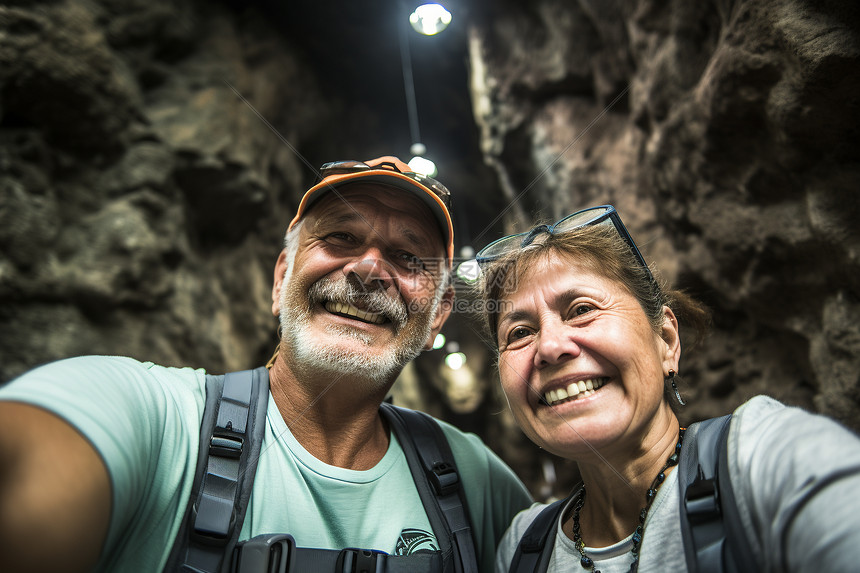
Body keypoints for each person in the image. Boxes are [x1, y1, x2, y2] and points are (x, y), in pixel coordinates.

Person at [0, 156, 532, 573]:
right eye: (341, 237)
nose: (370, 268)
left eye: (409, 258)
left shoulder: (475, 482)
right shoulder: (158, 423)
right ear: (281, 280)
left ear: (437, 316)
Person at [475, 205, 860, 572]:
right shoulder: (523, 548)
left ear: (666, 340)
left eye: (582, 309)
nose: (550, 347)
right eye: (520, 333)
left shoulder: (761, 459)